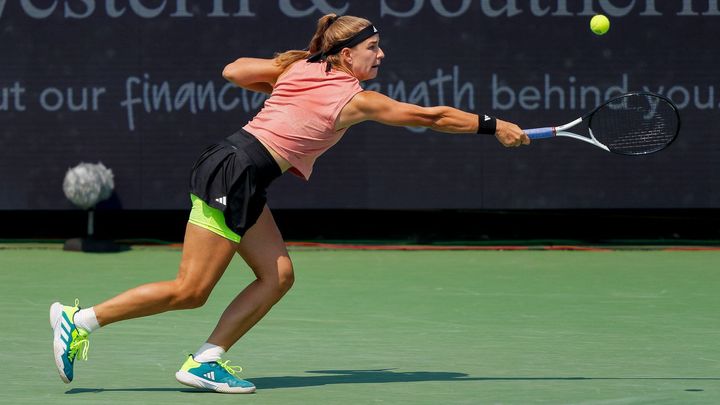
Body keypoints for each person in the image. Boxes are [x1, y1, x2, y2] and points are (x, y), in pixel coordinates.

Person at [49, 14, 530, 394]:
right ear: (346, 55)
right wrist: (495, 126)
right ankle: (81, 321)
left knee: (278, 275)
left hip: (242, 173)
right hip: (236, 172)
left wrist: (287, 81)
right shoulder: (353, 98)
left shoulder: (303, 69)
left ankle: (206, 361)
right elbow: (431, 116)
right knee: (190, 290)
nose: (381, 55)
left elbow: (234, 70)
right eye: (372, 49)